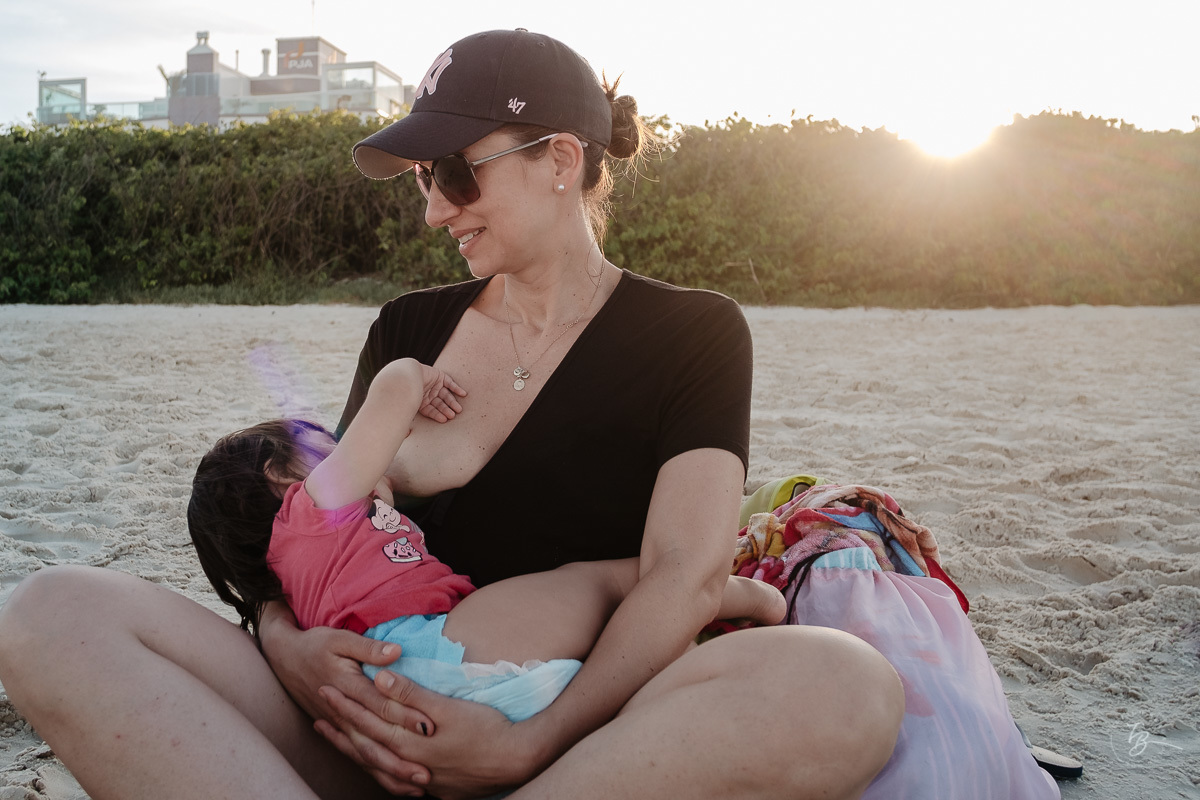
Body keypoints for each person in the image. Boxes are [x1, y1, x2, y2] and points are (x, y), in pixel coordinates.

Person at [0, 28, 904, 800]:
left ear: (560, 159)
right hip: (371, 723)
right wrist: (291, 648)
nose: (433, 210)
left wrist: (525, 746)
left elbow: (683, 577)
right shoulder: (409, 328)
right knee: (52, 612)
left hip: (589, 748)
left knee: (847, 684)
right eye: (420, 182)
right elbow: (318, 530)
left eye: (453, 175)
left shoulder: (692, 333)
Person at [186, 357, 784, 724]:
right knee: (598, 582)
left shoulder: (293, 572)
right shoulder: (312, 506)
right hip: (442, 647)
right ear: (280, 475)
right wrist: (412, 376)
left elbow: (374, 517)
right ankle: (745, 594)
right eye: (320, 446)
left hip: (400, 692)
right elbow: (389, 394)